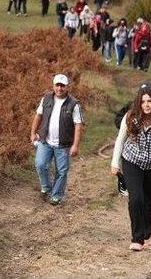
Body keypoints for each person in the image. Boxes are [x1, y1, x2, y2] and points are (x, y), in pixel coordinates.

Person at [111, 84, 151, 251]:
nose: (146, 105)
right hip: (132, 161)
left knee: (149, 203)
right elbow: (120, 140)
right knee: (136, 198)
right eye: (143, 101)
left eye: (150, 101)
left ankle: (146, 234)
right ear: (139, 103)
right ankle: (137, 238)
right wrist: (115, 163)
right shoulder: (130, 116)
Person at [30, 74, 84, 205]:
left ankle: (56, 195)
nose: (59, 88)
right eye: (57, 85)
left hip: (64, 144)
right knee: (40, 164)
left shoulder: (74, 104)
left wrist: (75, 145)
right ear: (53, 86)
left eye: (62, 86)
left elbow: (78, 125)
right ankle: (46, 187)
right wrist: (33, 133)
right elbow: (38, 116)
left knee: (62, 171)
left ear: (67, 87)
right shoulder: (46, 98)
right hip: (45, 141)